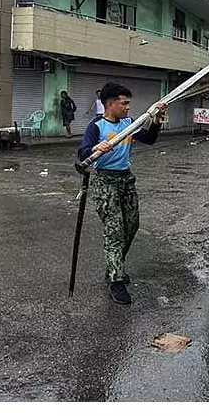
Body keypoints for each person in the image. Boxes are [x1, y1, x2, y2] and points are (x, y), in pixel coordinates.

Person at [77, 82, 167, 305]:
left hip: (126, 179)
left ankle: (114, 264)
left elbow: (149, 139)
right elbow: (83, 153)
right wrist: (96, 148)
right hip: (105, 181)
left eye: (128, 103)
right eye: (124, 103)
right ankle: (116, 280)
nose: (127, 107)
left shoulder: (129, 123)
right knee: (115, 230)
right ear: (110, 104)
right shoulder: (96, 126)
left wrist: (156, 121)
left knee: (132, 225)